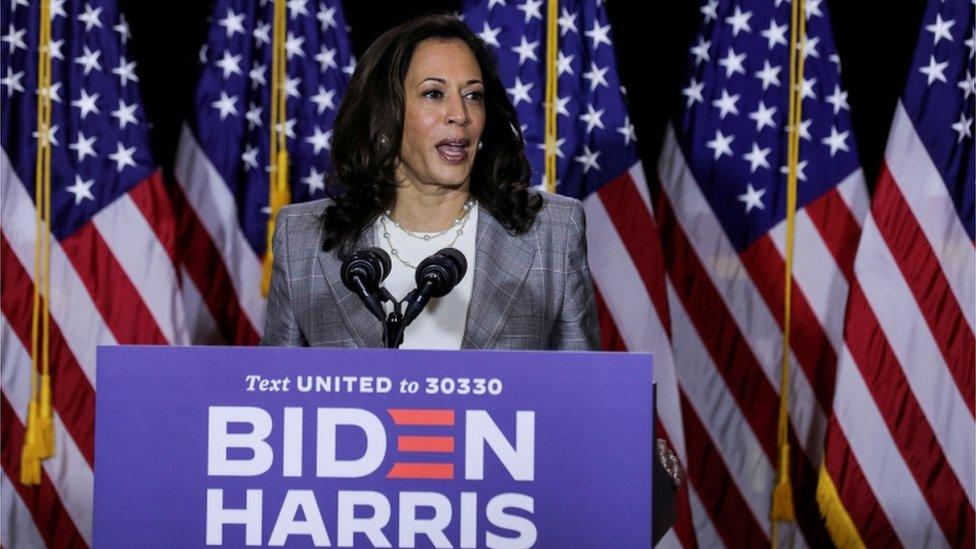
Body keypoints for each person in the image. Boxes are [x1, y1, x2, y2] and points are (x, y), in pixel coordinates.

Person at [261, 14, 599, 350]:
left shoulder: (552, 231)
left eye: (473, 95)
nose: (460, 114)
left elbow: (584, 391)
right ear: (384, 114)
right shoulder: (303, 238)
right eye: (434, 93)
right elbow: (274, 390)